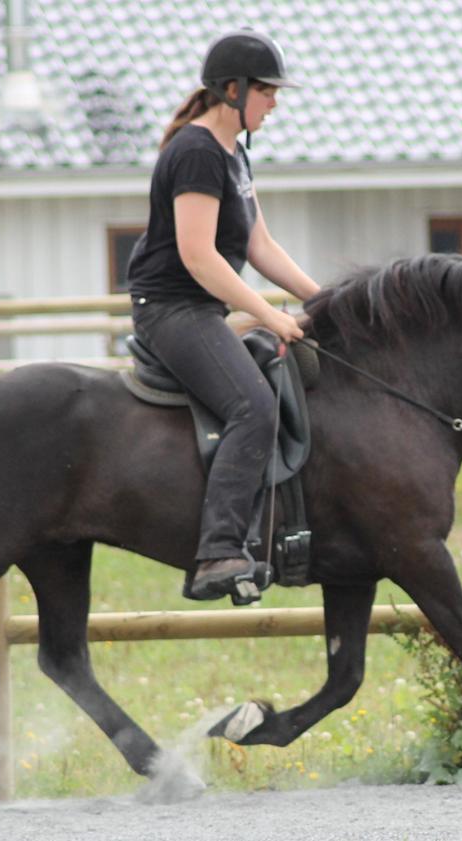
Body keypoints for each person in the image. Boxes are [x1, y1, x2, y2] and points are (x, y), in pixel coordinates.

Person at [126, 28, 321, 602]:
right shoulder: (195, 153)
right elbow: (198, 255)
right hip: (171, 310)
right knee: (252, 407)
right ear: (232, 90)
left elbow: (260, 247)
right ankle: (218, 551)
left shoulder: (235, 153)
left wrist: (325, 301)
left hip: (201, 308)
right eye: (267, 91)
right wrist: (270, 314)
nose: (275, 102)